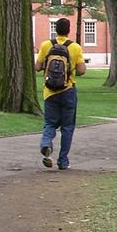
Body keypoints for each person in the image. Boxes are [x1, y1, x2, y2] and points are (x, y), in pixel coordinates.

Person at [36, 18, 86, 171]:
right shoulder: (75, 47)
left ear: (55, 30)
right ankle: (63, 161)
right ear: (68, 30)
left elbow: (37, 67)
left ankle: (46, 144)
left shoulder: (46, 45)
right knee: (67, 127)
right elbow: (82, 70)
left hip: (50, 92)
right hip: (68, 90)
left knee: (50, 123)